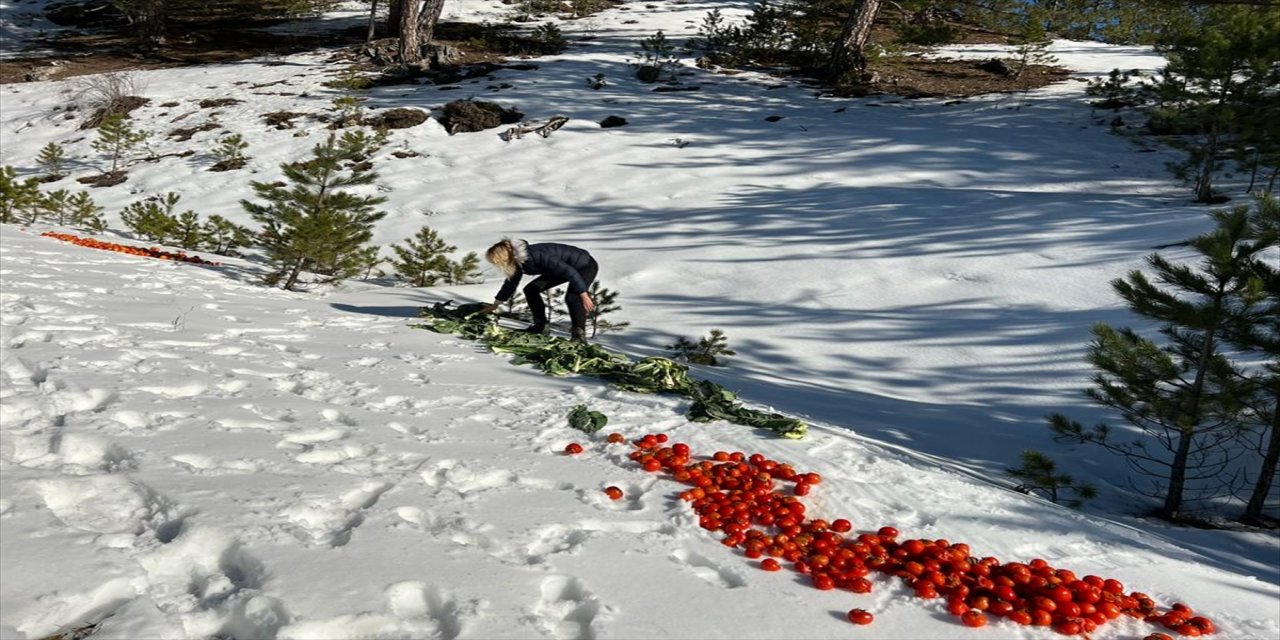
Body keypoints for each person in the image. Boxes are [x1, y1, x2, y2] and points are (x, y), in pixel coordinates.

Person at [481, 238, 597, 342]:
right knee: (531, 289)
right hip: (560, 269)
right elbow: (510, 284)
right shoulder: (518, 261)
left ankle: (579, 336)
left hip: (584, 265)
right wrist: (496, 304)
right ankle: (540, 326)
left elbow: (569, 272)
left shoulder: (535, 255)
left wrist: (583, 294)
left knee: (573, 297)